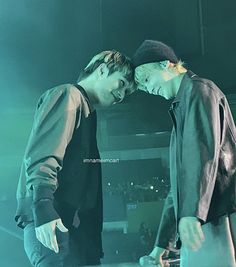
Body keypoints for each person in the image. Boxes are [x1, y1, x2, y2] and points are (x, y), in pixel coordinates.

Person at [15, 50, 135, 267]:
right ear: (102, 70)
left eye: (128, 91)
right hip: (54, 223)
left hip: (71, 227)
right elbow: (44, 153)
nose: (123, 94)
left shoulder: (87, 110)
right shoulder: (68, 95)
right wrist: (43, 206)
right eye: (122, 83)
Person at [133, 40, 236, 267]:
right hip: (202, 218)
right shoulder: (182, 106)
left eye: (147, 80)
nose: (148, 89)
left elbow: (203, 156)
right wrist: (161, 246)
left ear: (166, 64)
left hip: (217, 217)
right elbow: (178, 186)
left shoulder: (199, 90)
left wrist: (192, 214)